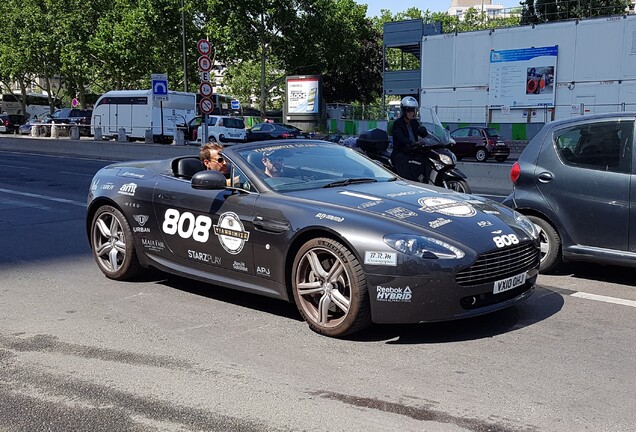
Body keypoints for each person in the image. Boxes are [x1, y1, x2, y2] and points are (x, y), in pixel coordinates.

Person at [390, 96, 429, 182]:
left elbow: (422, 132)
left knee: (426, 159)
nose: (412, 113)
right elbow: (400, 138)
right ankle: (409, 183)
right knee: (407, 169)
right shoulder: (398, 124)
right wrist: (412, 143)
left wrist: (427, 134)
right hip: (401, 152)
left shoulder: (414, 122)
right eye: (409, 110)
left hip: (412, 151)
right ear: (404, 111)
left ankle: (424, 181)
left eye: (413, 110)